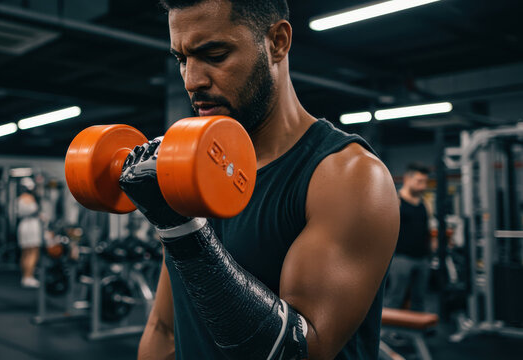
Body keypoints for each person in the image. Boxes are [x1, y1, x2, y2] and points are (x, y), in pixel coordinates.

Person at [128, 1, 400, 359]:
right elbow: (164, 329)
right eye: (182, 59)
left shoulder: (348, 177)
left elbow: (301, 350)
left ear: (277, 42)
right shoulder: (193, 175)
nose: (192, 80)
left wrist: (180, 228)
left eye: (214, 54)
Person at [385, 163, 432, 312]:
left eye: (425, 182)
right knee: (395, 298)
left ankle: (417, 333)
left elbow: (429, 227)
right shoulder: (395, 201)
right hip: (401, 258)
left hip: (422, 258)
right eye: (419, 181)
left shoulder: (425, 203)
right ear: (407, 179)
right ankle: (388, 333)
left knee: (419, 300)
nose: (423, 186)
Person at [16, 177, 41, 288]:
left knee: (25, 252)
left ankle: (25, 276)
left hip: (23, 225)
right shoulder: (30, 198)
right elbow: (34, 211)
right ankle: (29, 276)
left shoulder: (19, 198)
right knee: (33, 251)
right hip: (31, 226)